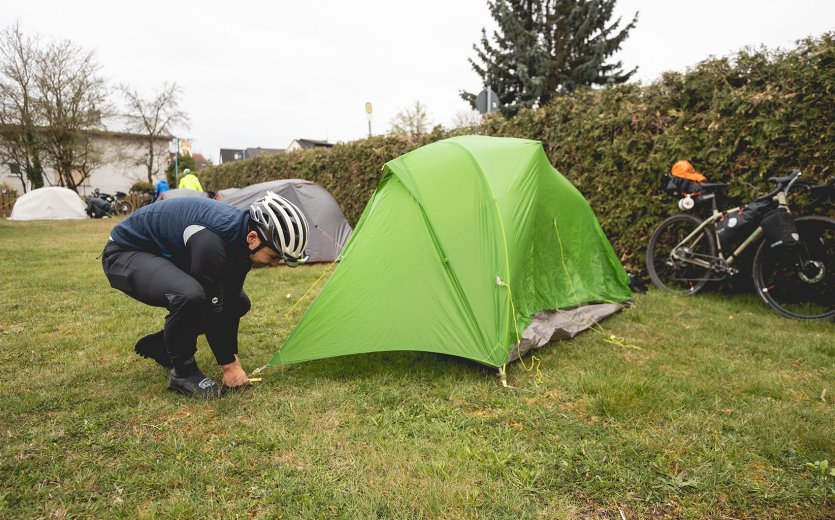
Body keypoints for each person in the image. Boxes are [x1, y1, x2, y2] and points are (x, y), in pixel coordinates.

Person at [101, 192, 309, 398]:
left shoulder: (242, 238)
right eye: (274, 256)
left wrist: (232, 359)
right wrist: (230, 367)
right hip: (124, 253)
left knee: (238, 303)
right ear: (253, 238)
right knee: (190, 295)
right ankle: (183, 373)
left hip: (160, 253)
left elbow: (228, 302)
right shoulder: (211, 243)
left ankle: (165, 345)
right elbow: (213, 307)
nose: (275, 264)